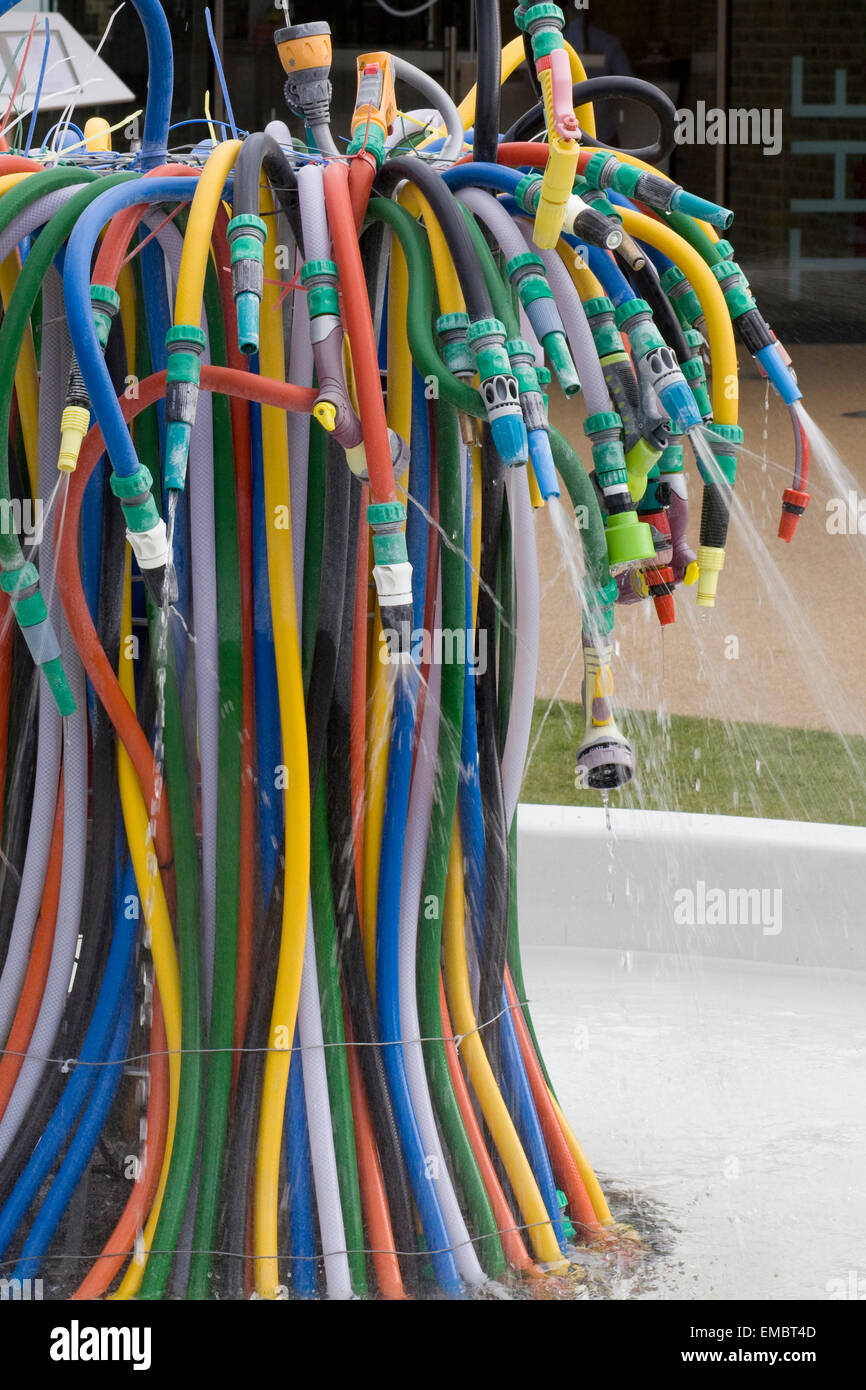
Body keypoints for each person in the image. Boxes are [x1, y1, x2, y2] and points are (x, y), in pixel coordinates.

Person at [562, 4, 633, 146]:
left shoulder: (553, 42)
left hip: (570, 133)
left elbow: (532, 81)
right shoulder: (607, 41)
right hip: (582, 133)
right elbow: (627, 82)